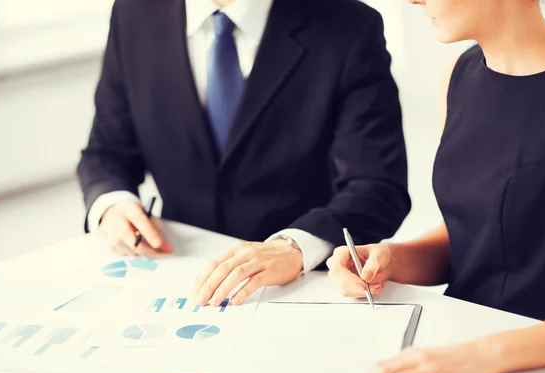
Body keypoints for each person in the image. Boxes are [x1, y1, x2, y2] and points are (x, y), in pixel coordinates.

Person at [326, 0, 545, 373]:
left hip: (541, 370)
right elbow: (484, 238)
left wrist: (482, 357)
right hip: (457, 342)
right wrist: (392, 258)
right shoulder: (462, 72)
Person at [77, 0, 411, 307]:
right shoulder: (135, 12)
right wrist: (111, 204)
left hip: (299, 287)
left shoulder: (348, 25)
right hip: (175, 273)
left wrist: (294, 247)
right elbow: (106, 153)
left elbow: (377, 187)